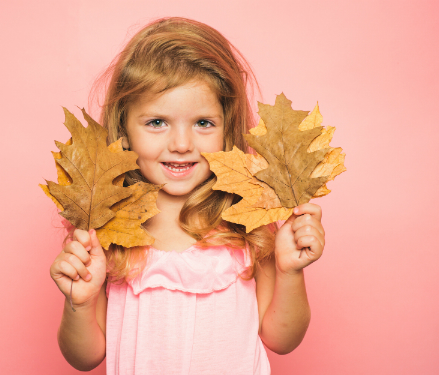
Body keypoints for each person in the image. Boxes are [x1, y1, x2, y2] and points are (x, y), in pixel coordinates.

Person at [49, 17, 325, 374]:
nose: (181, 145)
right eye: (157, 123)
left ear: (228, 130)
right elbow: (83, 358)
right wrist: (80, 304)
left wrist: (290, 271)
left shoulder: (248, 223)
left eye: (203, 123)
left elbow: (281, 339)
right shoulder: (103, 233)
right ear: (125, 130)